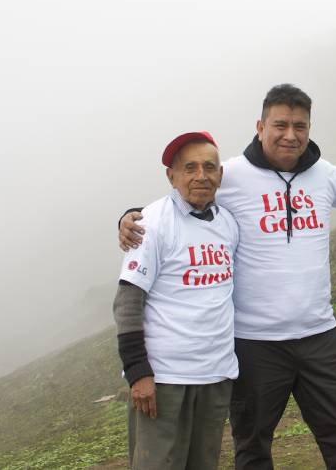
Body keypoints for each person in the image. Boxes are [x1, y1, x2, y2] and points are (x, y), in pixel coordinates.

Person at [119, 84, 336, 469]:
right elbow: (182, 202)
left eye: (300, 126)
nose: (291, 135)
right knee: (252, 445)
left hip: (318, 336)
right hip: (255, 344)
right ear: (260, 126)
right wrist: (130, 215)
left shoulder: (324, 175)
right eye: (281, 124)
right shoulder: (230, 174)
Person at [114, 131, 239, 469]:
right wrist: (138, 372)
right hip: (165, 380)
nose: (201, 176)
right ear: (172, 176)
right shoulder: (150, 224)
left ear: (220, 175)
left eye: (209, 167)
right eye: (190, 167)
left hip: (215, 375)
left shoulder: (228, 223)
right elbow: (127, 302)